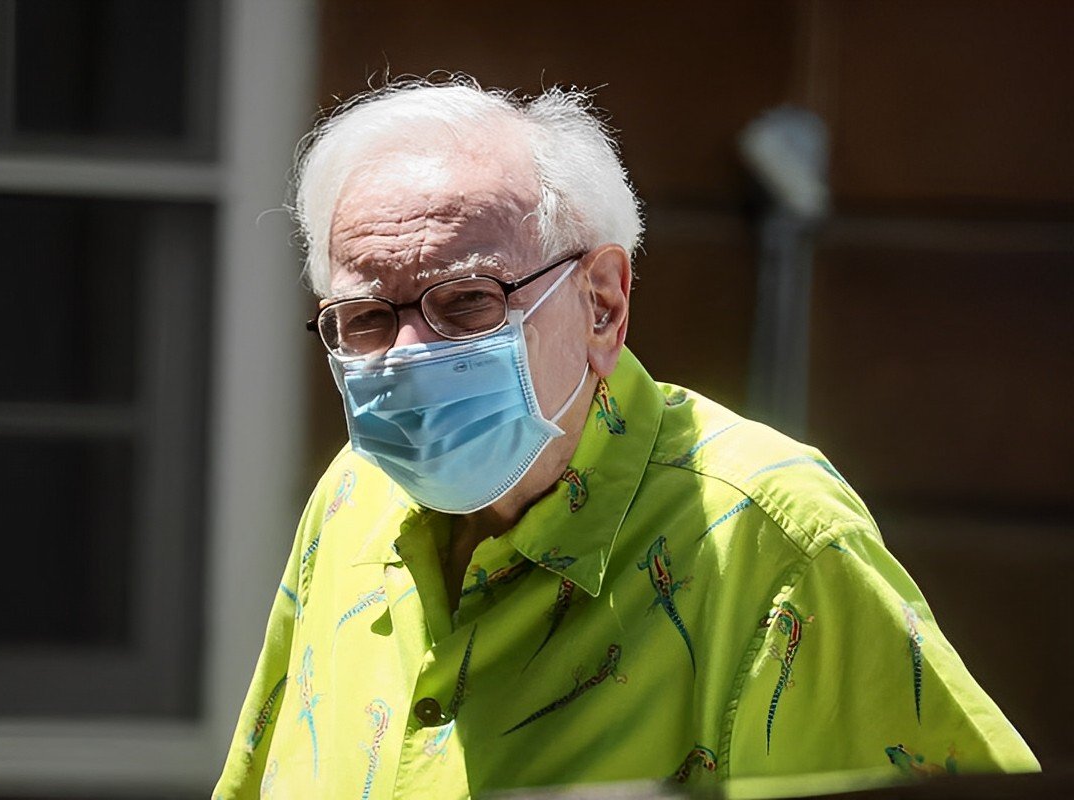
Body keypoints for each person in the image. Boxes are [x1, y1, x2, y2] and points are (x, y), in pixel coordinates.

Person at [213, 77, 1038, 798]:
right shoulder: (354, 496)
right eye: (363, 319)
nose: (407, 356)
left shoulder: (773, 538)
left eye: (465, 302)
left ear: (603, 302)